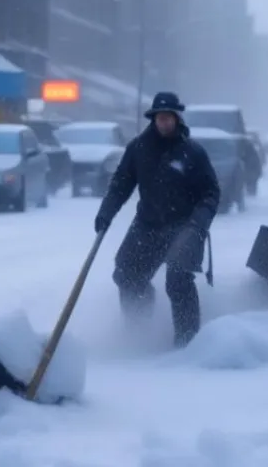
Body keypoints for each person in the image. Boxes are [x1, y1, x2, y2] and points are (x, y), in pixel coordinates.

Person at [94, 92, 221, 347]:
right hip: (148, 224)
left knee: (177, 278)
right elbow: (121, 185)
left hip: (186, 225)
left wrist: (199, 222)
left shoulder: (192, 152)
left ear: (177, 118)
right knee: (127, 274)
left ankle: (188, 342)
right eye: (160, 118)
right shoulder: (138, 149)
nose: (165, 123)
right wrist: (106, 212)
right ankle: (138, 334)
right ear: (154, 119)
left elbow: (211, 192)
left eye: (169, 117)